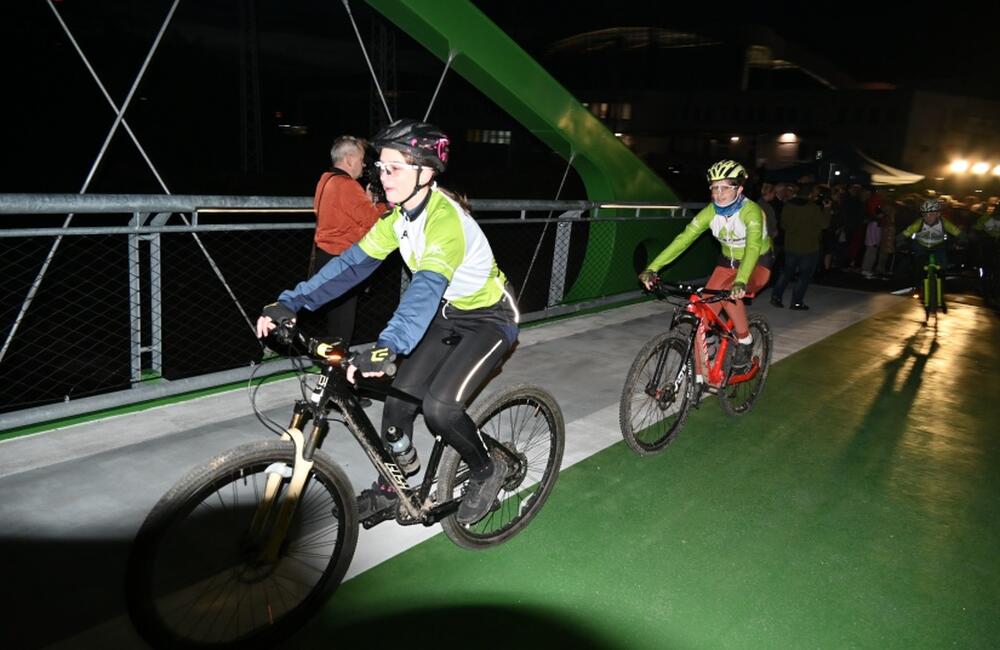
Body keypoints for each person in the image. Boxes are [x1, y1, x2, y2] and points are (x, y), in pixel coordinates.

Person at [256, 119, 519, 526]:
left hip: (489, 317)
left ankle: (488, 470)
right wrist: (292, 302)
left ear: (425, 172)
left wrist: (390, 343)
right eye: (380, 166)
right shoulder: (398, 219)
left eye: (394, 167)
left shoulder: (445, 222)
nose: (382, 175)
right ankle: (392, 485)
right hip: (447, 313)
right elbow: (350, 265)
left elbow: (426, 287)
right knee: (398, 400)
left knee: (440, 408)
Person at [639, 159, 773, 374]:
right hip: (726, 263)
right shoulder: (711, 212)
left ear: (739, 189)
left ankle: (745, 340)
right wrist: (653, 268)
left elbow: (752, 247)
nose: (718, 194)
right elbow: (684, 240)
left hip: (756, 264)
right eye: (714, 188)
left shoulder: (751, 212)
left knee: (728, 293)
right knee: (700, 309)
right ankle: (702, 373)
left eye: (725, 188)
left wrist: (741, 280)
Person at [302, 135, 386, 346]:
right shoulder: (346, 184)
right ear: (349, 159)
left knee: (335, 322)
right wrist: (386, 204)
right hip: (342, 261)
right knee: (343, 325)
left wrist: (366, 202)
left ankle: (332, 365)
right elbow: (373, 220)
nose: (364, 164)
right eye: (360, 159)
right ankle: (338, 370)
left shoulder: (326, 179)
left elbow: (347, 217)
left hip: (326, 259)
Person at [770, 183, 831, 310]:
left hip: (791, 246)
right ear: (810, 194)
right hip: (809, 247)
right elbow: (824, 224)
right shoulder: (813, 208)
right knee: (804, 276)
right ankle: (796, 302)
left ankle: (776, 297)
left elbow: (783, 225)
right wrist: (827, 209)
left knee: (786, 272)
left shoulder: (788, 205)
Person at [897, 198, 963, 312]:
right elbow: (907, 232)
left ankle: (941, 296)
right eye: (925, 215)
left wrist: (963, 239)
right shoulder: (920, 222)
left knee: (942, 269)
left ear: (938, 214)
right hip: (921, 246)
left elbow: (956, 231)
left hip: (938, 246)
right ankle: (919, 286)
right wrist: (900, 241)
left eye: (931, 214)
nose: (928, 217)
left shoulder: (943, 222)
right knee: (919, 266)